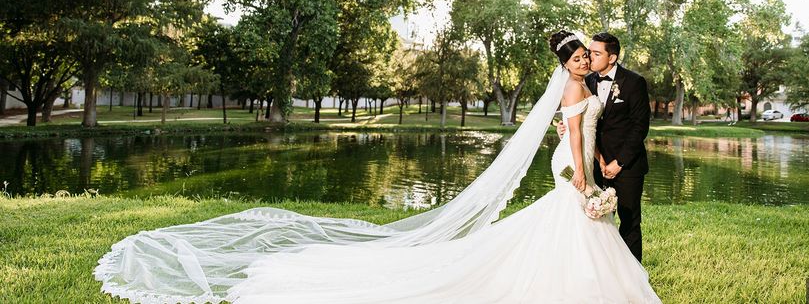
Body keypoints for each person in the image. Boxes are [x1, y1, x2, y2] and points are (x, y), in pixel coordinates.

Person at [94, 30, 661, 303]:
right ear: (567, 61)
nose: (586, 58)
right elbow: (571, 132)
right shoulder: (570, 86)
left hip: (582, 161)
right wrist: (584, 180)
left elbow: (581, 129)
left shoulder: (585, 84)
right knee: (572, 221)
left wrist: (586, 161)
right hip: (577, 168)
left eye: (588, 53)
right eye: (580, 54)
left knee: (568, 228)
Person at [557, 32, 650, 264]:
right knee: (596, 220)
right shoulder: (585, 80)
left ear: (612, 57)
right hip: (593, 162)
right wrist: (565, 128)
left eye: (595, 54)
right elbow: (578, 120)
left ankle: (633, 273)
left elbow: (640, 128)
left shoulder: (634, 82)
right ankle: (602, 270)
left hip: (626, 166)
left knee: (629, 220)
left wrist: (619, 162)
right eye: (588, 52)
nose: (588, 58)